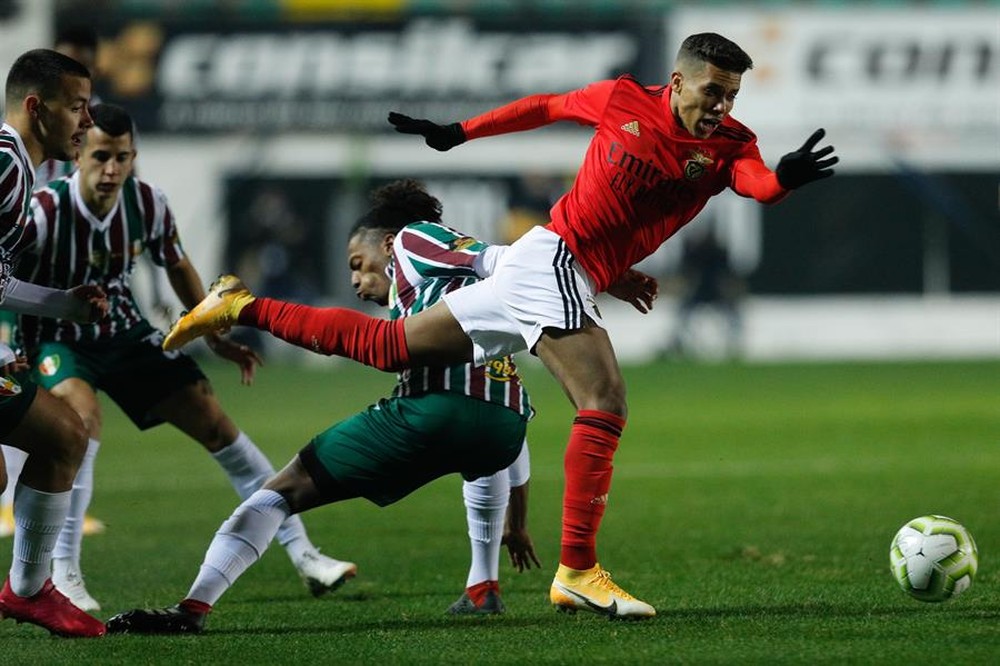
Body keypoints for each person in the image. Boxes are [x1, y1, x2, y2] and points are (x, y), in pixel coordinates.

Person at [162, 32, 837, 619]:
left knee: (392, 345)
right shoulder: (624, 100)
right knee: (603, 401)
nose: (722, 105)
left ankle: (238, 306)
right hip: (556, 259)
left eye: (732, 94)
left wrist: (783, 178)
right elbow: (543, 107)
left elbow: (756, 182)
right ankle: (577, 572)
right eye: (713, 90)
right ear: (680, 80)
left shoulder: (730, 144)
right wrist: (460, 133)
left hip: (546, 265)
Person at [104, 179, 539, 633]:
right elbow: (504, 441)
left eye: (358, 264)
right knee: (475, 444)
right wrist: (519, 521)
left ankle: (191, 608)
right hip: (504, 426)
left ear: (387, 245)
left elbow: (493, 257)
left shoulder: (412, 239)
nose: (355, 279)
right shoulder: (461, 300)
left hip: (435, 411)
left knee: (281, 491)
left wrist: (543, 264)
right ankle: (482, 585)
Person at [12, 102, 356, 614]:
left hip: (126, 335)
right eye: (102, 156)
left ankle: (304, 553)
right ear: (78, 153)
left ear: (134, 157)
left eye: (123, 158)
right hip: (57, 339)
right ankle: (65, 573)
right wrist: (8, 347)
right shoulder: (42, 210)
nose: (112, 170)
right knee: (80, 422)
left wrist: (211, 330)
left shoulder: (148, 204)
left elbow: (176, 263)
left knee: (216, 423)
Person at [0, 48, 110, 638]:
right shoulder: (5, 162)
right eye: (77, 107)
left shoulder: (21, 167)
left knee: (57, 437)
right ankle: (28, 591)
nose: (87, 122)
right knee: (64, 433)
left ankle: (28, 591)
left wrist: (63, 303)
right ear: (37, 107)